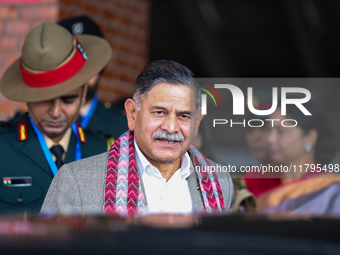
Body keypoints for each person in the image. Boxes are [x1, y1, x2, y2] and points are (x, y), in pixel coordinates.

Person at [40, 60, 234, 215]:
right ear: (132, 114)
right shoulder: (76, 181)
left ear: (197, 122)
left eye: (184, 116)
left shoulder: (219, 180)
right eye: (159, 112)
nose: (171, 127)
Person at [0, 22, 112, 214]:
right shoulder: (3, 148)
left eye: (69, 99)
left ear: (84, 93)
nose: (56, 111)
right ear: (28, 97)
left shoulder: (104, 151)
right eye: (45, 100)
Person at [256, 101, 340, 216]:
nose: (270, 139)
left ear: (310, 137)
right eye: (270, 130)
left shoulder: (331, 189)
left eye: (280, 131)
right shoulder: (256, 180)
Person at [58, 15, 128, 144]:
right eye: (68, 60)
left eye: (86, 60)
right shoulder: (26, 124)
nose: (79, 70)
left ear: (101, 65)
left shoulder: (125, 129)